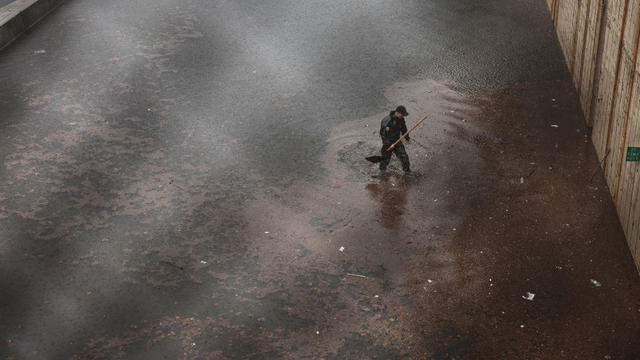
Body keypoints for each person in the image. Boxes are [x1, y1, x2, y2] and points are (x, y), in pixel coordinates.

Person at [378, 105, 411, 173]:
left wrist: (407, 138)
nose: (403, 116)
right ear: (397, 113)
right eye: (402, 115)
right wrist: (389, 144)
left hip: (397, 141)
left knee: (404, 157)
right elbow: (383, 135)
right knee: (385, 160)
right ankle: (382, 173)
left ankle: (407, 171)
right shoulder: (387, 121)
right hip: (387, 143)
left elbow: (403, 128)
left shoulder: (401, 119)